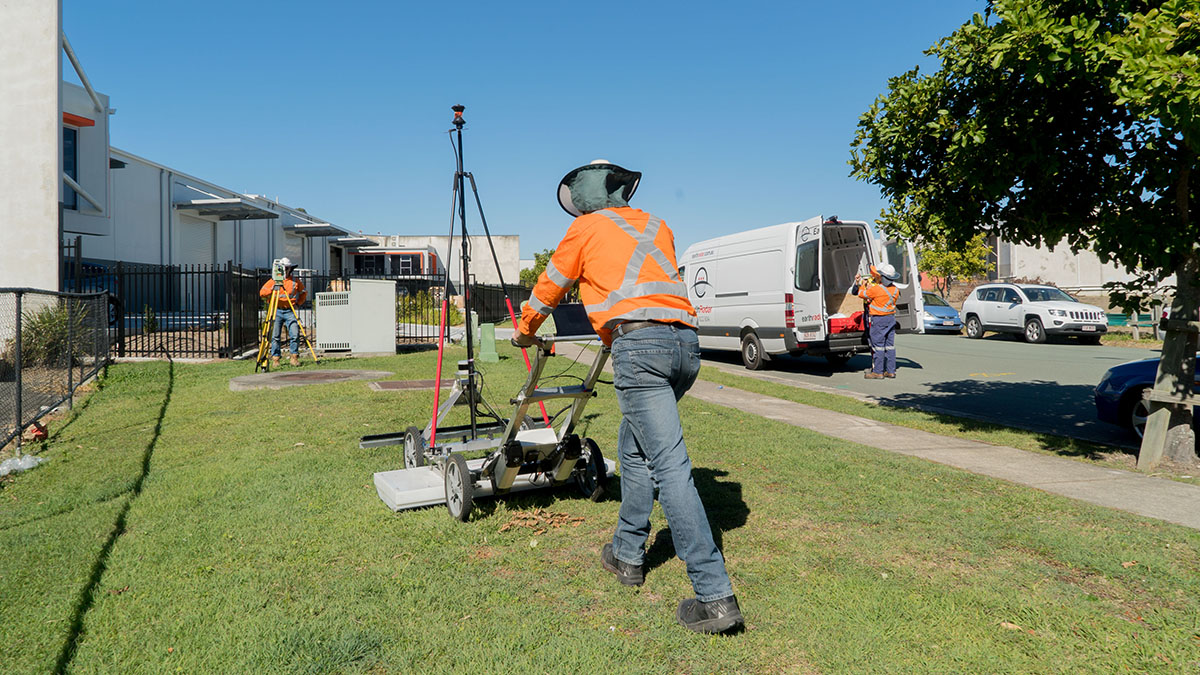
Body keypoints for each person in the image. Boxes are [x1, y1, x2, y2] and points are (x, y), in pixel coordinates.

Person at [512, 160, 743, 634]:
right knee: (633, 452)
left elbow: (549, 287)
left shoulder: (586, 228)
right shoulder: (657, 225)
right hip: (685, 347)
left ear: (583, 200)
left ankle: (714, 595)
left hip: (640, 349)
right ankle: (627, 554)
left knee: (669, 466)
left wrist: (524, 330)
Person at [855, 263, 902, 379]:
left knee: (878, 346)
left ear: (882, 277)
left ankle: (878, 371)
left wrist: (863, 284)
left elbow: (861, 294)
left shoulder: (876, 289)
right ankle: (891, 371)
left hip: (879, 319)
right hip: (891, 319)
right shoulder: (896, 290)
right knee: (889, 346)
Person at [259, 257, 307, 367]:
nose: (286, 271)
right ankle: (275, 359)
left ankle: (294, 357)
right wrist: (271, 290)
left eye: (287, 268)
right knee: (275, 336)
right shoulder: (273, 281)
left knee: (294, 334)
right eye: (284, 268)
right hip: (277, 310)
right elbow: (262, 293)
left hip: (290, 310)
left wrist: (298, 304)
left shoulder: (295, 281)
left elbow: (303, 292)